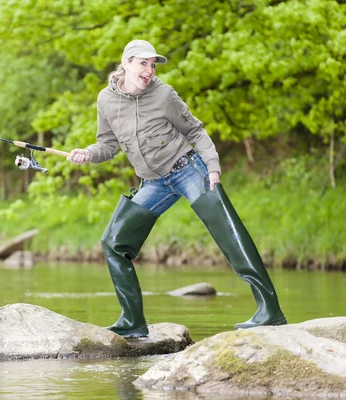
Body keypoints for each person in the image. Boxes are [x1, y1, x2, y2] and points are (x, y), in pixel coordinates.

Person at [67, 39, 287, 338]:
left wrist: (212, 165)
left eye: (153, 65)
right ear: (127, 63)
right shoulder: (106, 100)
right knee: (113, 243)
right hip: (153, 183)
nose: (149, 70)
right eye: (144, 63)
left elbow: (195, 130)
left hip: (188, 170)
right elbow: (107, 145)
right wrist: (88, 154)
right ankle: (133, 322)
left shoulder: (164, 94)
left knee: (230, 233)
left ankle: (270, 312)